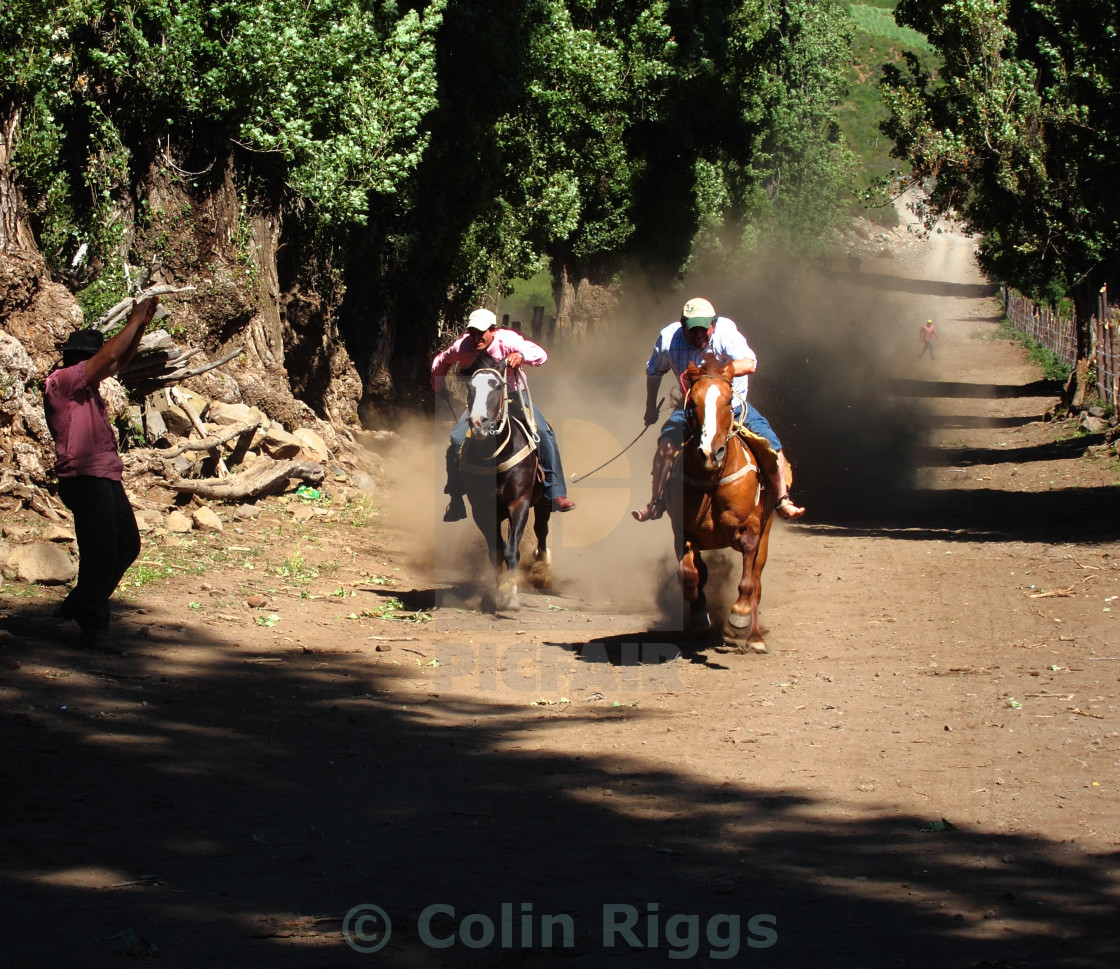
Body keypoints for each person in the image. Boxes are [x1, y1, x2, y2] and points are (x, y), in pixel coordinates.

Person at [44, 295, 160, 652]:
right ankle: (93, 625)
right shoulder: (61, 382)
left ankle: (82, 602)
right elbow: (109, 357)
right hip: (83, 478)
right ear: (80, 360)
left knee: (126, 545)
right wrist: (134, 319)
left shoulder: (91, 390)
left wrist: (139, 327)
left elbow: (117, 360)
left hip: (105, 477)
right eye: (91, 359)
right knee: (102, 551)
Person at [632, 297, 805, 523]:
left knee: (771, 443)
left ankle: (782, 499)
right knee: (665, 445)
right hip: (692, 408)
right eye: (693, 330)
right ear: (683, 326)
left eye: (704, 329)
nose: (699, 335)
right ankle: (656, 502)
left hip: (730, 406)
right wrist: (650, 408)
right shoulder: (668, 339)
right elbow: (654, 372)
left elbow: (750, 363)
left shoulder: (726, 333)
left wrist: (721, 372)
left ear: (713, 324)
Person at [431, 308, 576, 522]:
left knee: (544, 433)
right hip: (483, 401)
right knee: (456, 438)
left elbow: (541, 354)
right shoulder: (462, 346)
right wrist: (439, 387)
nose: (476, 338)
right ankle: (456, 497)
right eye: (472, 332)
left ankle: (555, 493)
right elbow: (440, 362)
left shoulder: (507, 340)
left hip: (515, 394)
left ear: (493, 330)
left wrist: (521, 356)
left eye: (481, 332)